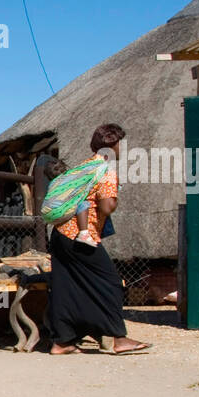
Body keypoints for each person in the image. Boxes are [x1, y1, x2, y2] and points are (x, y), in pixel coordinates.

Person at [45, 124, 150, 355]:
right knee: (111, 282)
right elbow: (106, 206)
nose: (122, 148)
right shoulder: (105, 170)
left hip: (60, 235)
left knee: (66, 286)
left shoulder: (83, 166)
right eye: (120, 144)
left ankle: (61, 342)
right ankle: (118, 339)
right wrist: (115, 197)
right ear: (112, 146)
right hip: (80, 236)